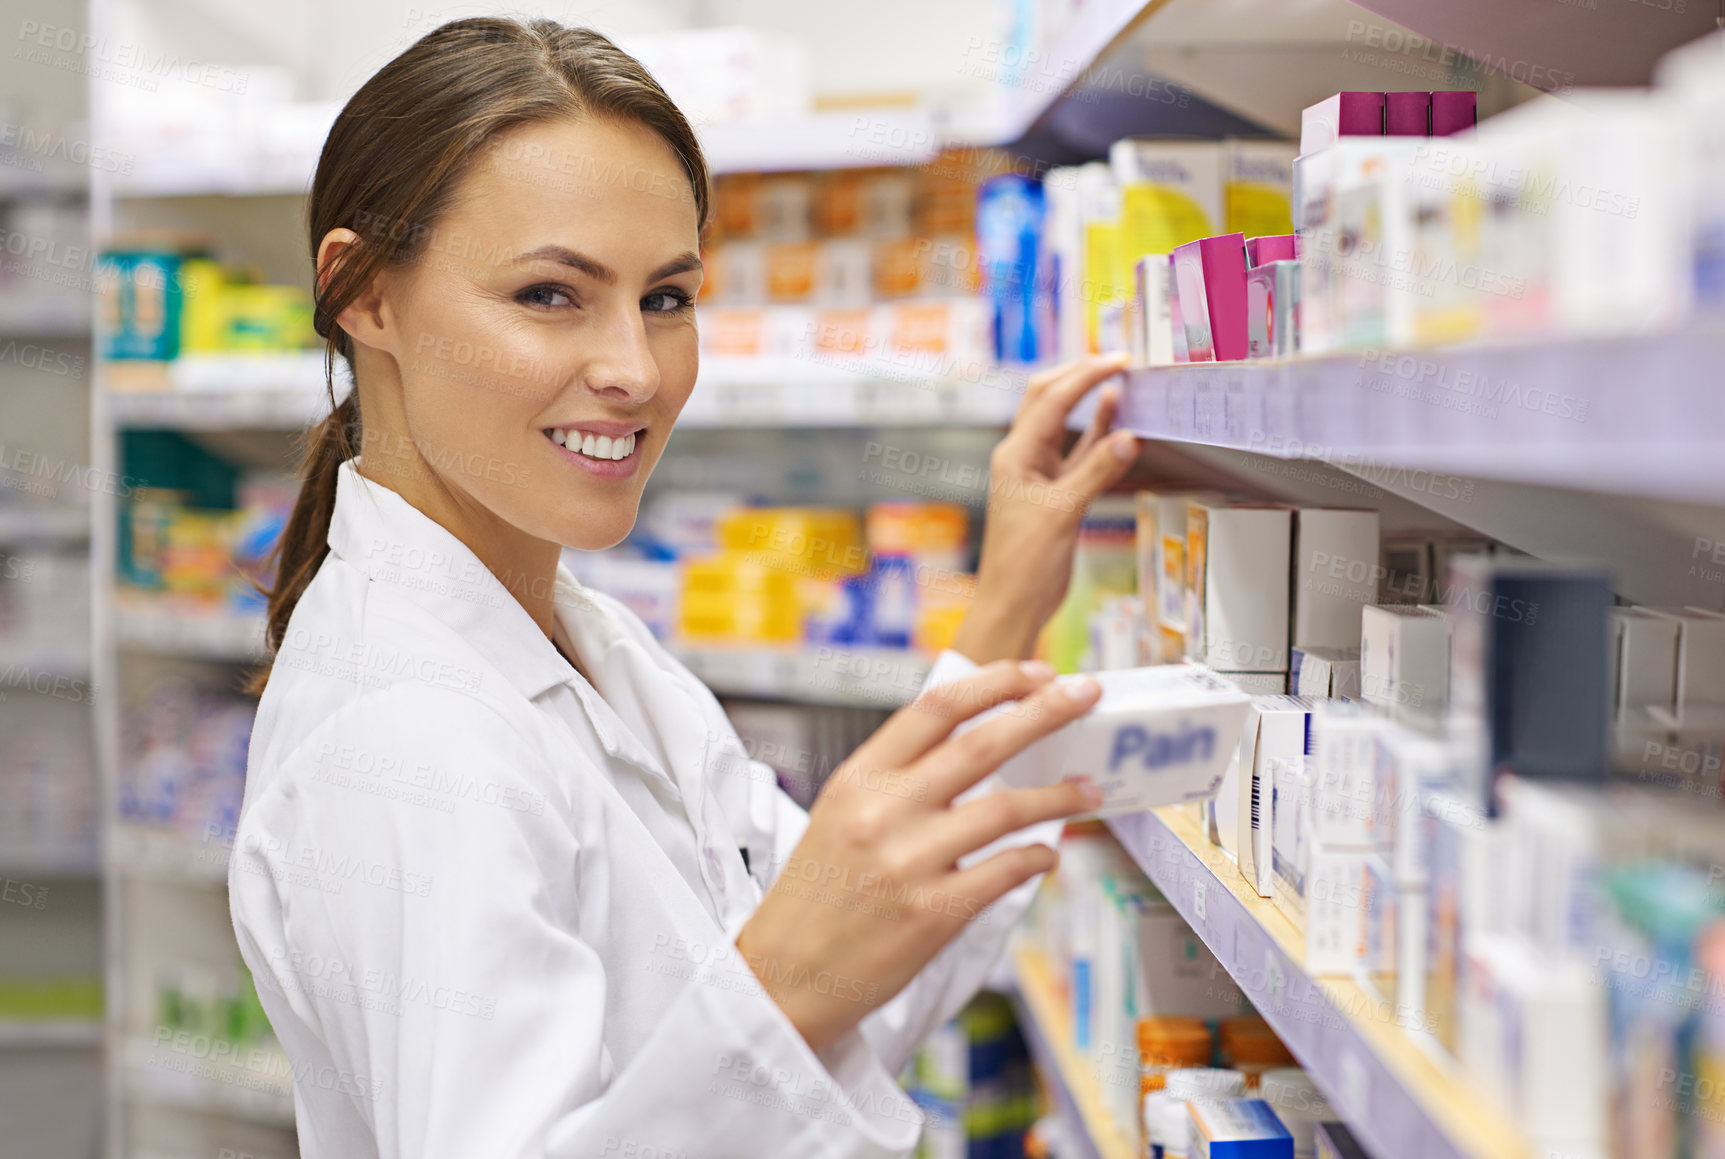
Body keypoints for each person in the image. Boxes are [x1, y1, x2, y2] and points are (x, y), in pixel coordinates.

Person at [228, 17, 1141, 1158]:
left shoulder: (588, 647)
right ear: (362, 293)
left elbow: (864, 992)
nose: (635, 370)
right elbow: (800, 1003)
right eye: (552, 295)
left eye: (667, 298)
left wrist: (1007, 605)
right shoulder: (410, 742)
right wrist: (782, 987)